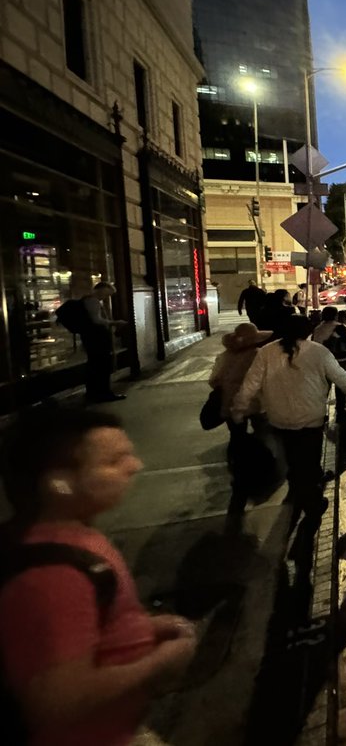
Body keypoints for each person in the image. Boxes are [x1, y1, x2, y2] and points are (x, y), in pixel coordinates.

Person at [0, 407, 197, 745]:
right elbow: (57, 700)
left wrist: (143, 629)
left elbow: (81, 631)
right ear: (59, 484)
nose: (135, 466)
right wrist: (159, 663)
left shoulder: (77, 537)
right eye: (113, 461)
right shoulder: (53, 577)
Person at [231, 314, 346, 527]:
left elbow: (250, 384)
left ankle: (298, 489)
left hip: (279, 417)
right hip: (311, 417)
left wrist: (238, 409)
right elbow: (342, 379)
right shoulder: (318, 352)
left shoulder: (266, 352)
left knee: (292, 457)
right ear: (307, 331)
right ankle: (312, 503)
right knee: (310, 461)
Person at [208, 322, 273, 524]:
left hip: (229, 402)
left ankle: (238, 469)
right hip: (255, 401)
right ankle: (263, 468)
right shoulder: (258, 355)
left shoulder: (225, 356)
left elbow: (213, 380)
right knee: (263, 433)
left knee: (237, 436)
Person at [81, 282, 128, 403]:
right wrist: (114, 323)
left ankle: (94, 393)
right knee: (102, 365)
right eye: (107, 293)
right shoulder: (93, 301)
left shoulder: (88, 300)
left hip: (91, 338)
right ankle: (103, 393)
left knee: (95, 365)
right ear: (101, 289)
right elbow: (96, 320)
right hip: (97, 338)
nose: (107, 297)